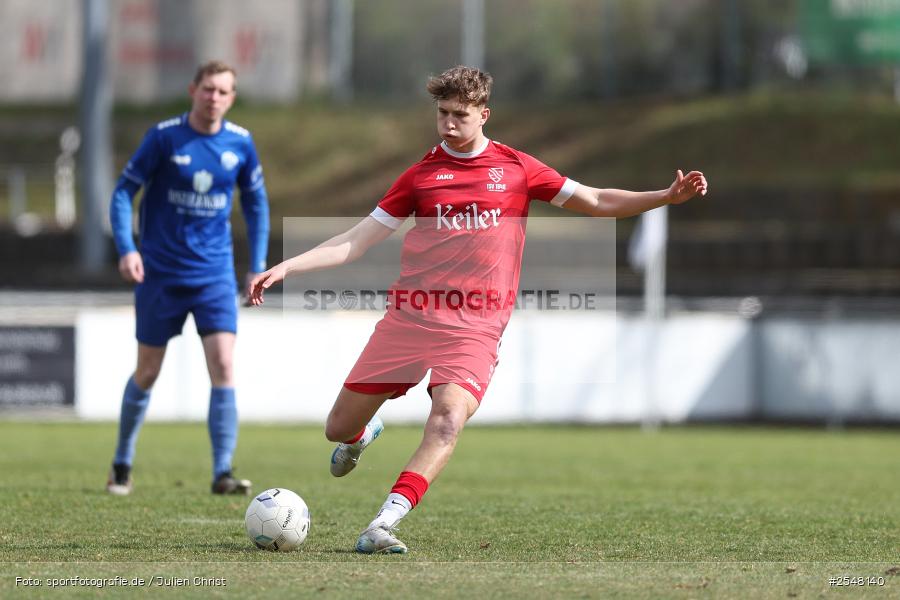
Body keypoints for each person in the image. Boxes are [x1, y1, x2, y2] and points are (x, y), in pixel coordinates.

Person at [248, 65, 707, 553]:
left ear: (483, 114)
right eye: (442, 113)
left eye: (459, 115)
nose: (448, 124)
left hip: (476, 327)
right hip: (411, 317)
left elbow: (594, 199)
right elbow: (356, 240)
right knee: (337, 428)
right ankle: (360, 436)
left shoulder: (516, 168)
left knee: (447, 419)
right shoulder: (421, 176)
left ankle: (383, 524)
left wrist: (664, 197)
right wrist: (288, 266)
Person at [106, 60, 270, 496]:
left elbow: (256, 204)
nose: (214, 97)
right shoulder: (164, 137)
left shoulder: (240, 143)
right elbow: (123, 192)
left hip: (214, 274)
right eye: (208, 89)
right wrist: (127, 248)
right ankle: (122, 462)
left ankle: (222, 472)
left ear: (232, 98)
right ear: (193, 90)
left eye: (223, 91)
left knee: (224, 364)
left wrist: (256, 263)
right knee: (148, 370)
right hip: (160, 273)